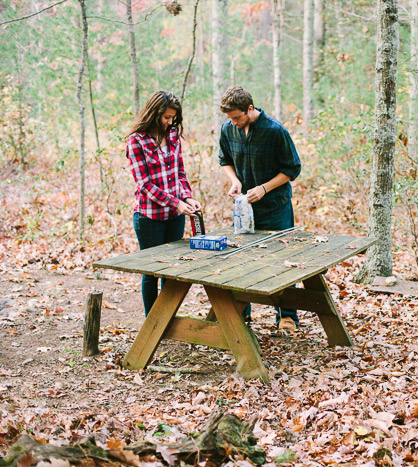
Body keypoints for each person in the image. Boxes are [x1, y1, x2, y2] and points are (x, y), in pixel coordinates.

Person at [218, 85, 302, 330]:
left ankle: (286, 317)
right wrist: (234, 181)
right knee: (241, 260)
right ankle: (241, 314)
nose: (233, 123)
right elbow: (224, 160)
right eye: (229, 118)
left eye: (237, 117)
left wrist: (265, 188)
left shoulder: (275, 131)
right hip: (244, 209)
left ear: (250, 109)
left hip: (276, 207)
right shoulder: (228, 130)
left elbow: (292, 169)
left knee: (282, 261)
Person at [125, 90, 201, 316]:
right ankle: (153, 322)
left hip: (174, 217)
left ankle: (168, 318)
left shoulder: (174, 135)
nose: (170, 122)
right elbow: (144, 185)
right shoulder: (136, 141)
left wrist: (187, 197)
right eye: (166, 117)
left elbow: (180, 172)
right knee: (152, 271)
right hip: (149, 217)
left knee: (172, 268)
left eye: (172, 118)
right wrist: (175, 202)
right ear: (154, 113)